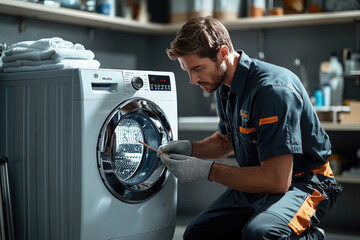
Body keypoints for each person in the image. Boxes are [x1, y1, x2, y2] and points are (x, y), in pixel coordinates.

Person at [158, 16, 342, 240]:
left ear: (223, 53)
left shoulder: (271, 91)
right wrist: (189, 149)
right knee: (198, 235)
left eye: (197, 68)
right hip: (259, 182)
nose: (192, 79)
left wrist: (206, 170)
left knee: (261, 234)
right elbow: (226, 141)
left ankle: (312, 237)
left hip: (304, 183)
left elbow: (277, 181)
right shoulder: (223, 86)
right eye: (187, 70)